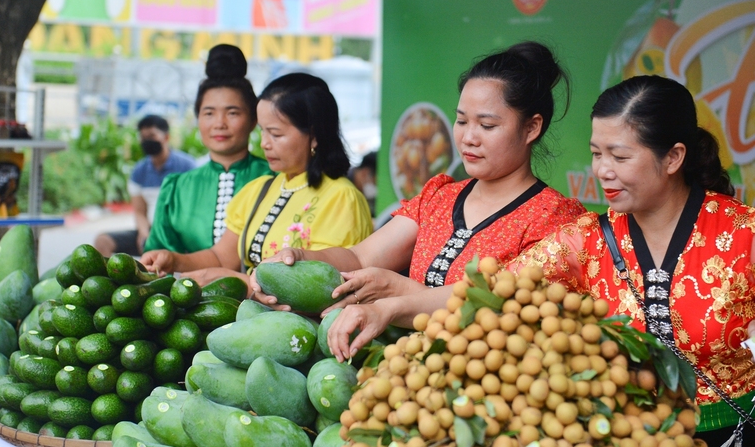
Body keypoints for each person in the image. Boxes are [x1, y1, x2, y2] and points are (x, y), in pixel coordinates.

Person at [500, 75, 755, 447]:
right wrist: (393, 301)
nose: (602, 170)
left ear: (673, 158)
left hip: (735, 443)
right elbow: (495, 290)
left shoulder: (743, 235)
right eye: (596, 153)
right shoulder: (587, 239)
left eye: (619, 157)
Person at [251, 41, 585, 345]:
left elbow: (499, 302)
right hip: (408, 375)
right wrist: (295, 261)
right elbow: (359, 258)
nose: (469, 137)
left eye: (486, 126)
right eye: (462, 121)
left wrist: (399, 297)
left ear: (531, 127)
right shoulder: (439, 197)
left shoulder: (558, 222)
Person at [141, 72, 373, 288]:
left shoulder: (341, 198)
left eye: (276, 134)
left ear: (313, 135)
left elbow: (324, 284)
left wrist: (241, 283)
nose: (264, 143)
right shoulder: (260, 189)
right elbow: (222, 257)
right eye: (263, 131)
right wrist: (173, 260)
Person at [144, 44, 272, 254]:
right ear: (198, 119)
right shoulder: (176, 189)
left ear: (253, 120)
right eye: (209, 113)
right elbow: (156, 259)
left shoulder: (276, 180)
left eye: (232, 113)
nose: (219, 123)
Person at [94, 115, 195, 257]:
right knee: (103, 242)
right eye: (143, 136)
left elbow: (192, 208)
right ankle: (107, 278)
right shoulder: (139, 172)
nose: (146, 140)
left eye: (152, 135)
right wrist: (144, 233)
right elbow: (140, 212)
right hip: (151, 231)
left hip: (180, 234)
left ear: (166, 137)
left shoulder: (187, 166)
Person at [348, 151, 377, 217]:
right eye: (374, 183)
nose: (376, 188)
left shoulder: (358, 191)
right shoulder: (345, 189)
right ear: (365, 173)